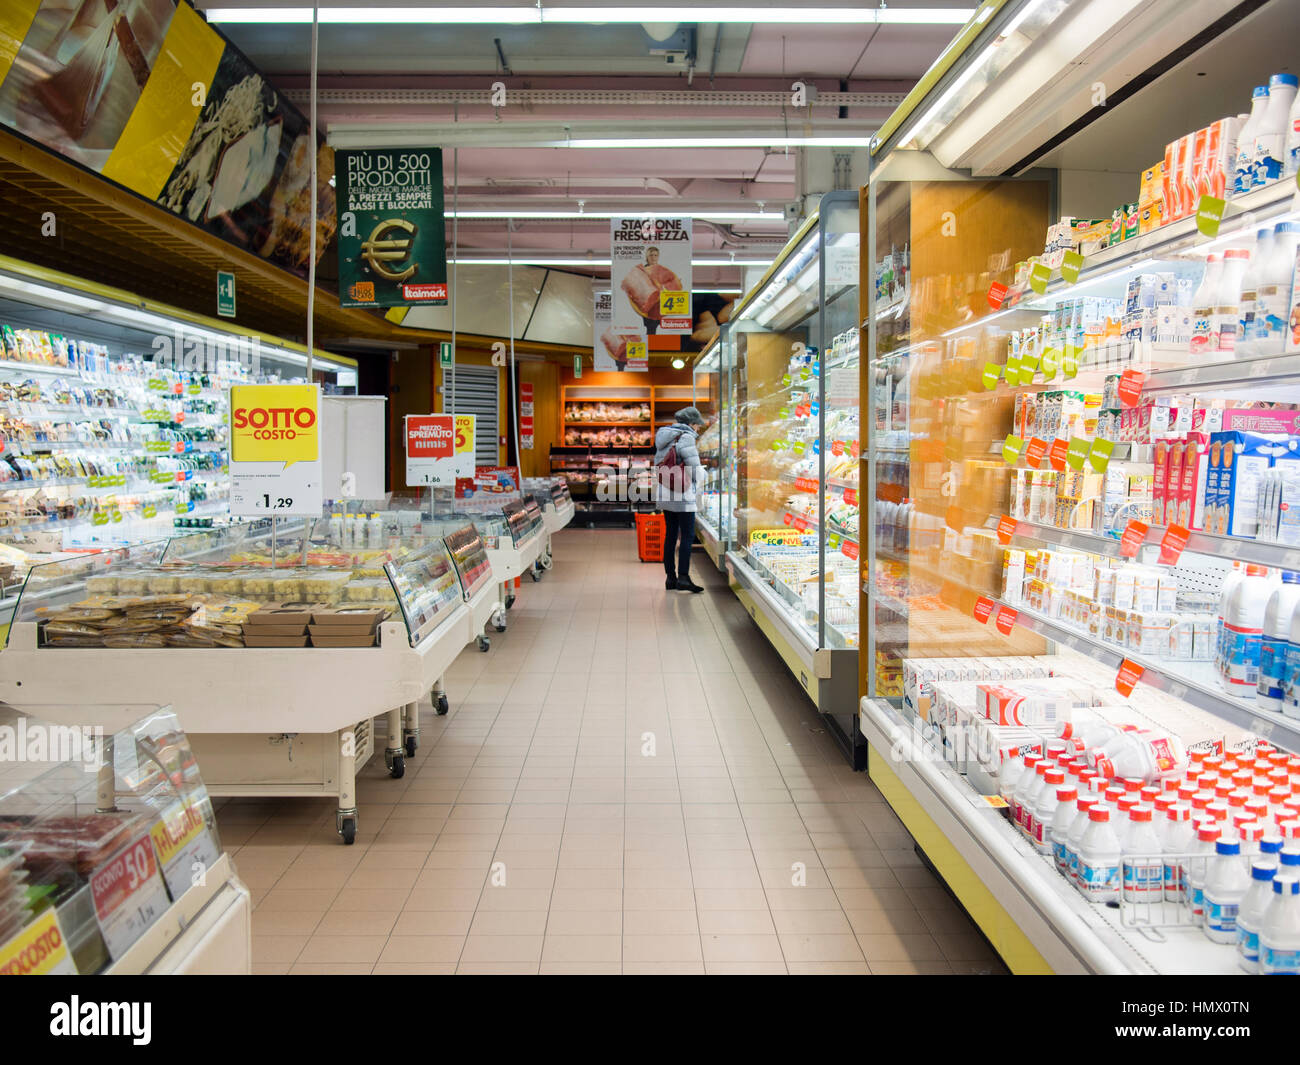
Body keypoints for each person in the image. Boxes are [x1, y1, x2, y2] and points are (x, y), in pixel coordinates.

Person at [654, 406, 706, 593]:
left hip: (666, 491)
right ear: (691, 424)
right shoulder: (686, 437)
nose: (698, 428)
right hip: (682, 494)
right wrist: (705, 476)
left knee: (670, 535)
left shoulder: (663, 437)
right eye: (697, 425)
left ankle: (671, 578)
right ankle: (683, 577)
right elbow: (695, 469)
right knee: (687, 535)